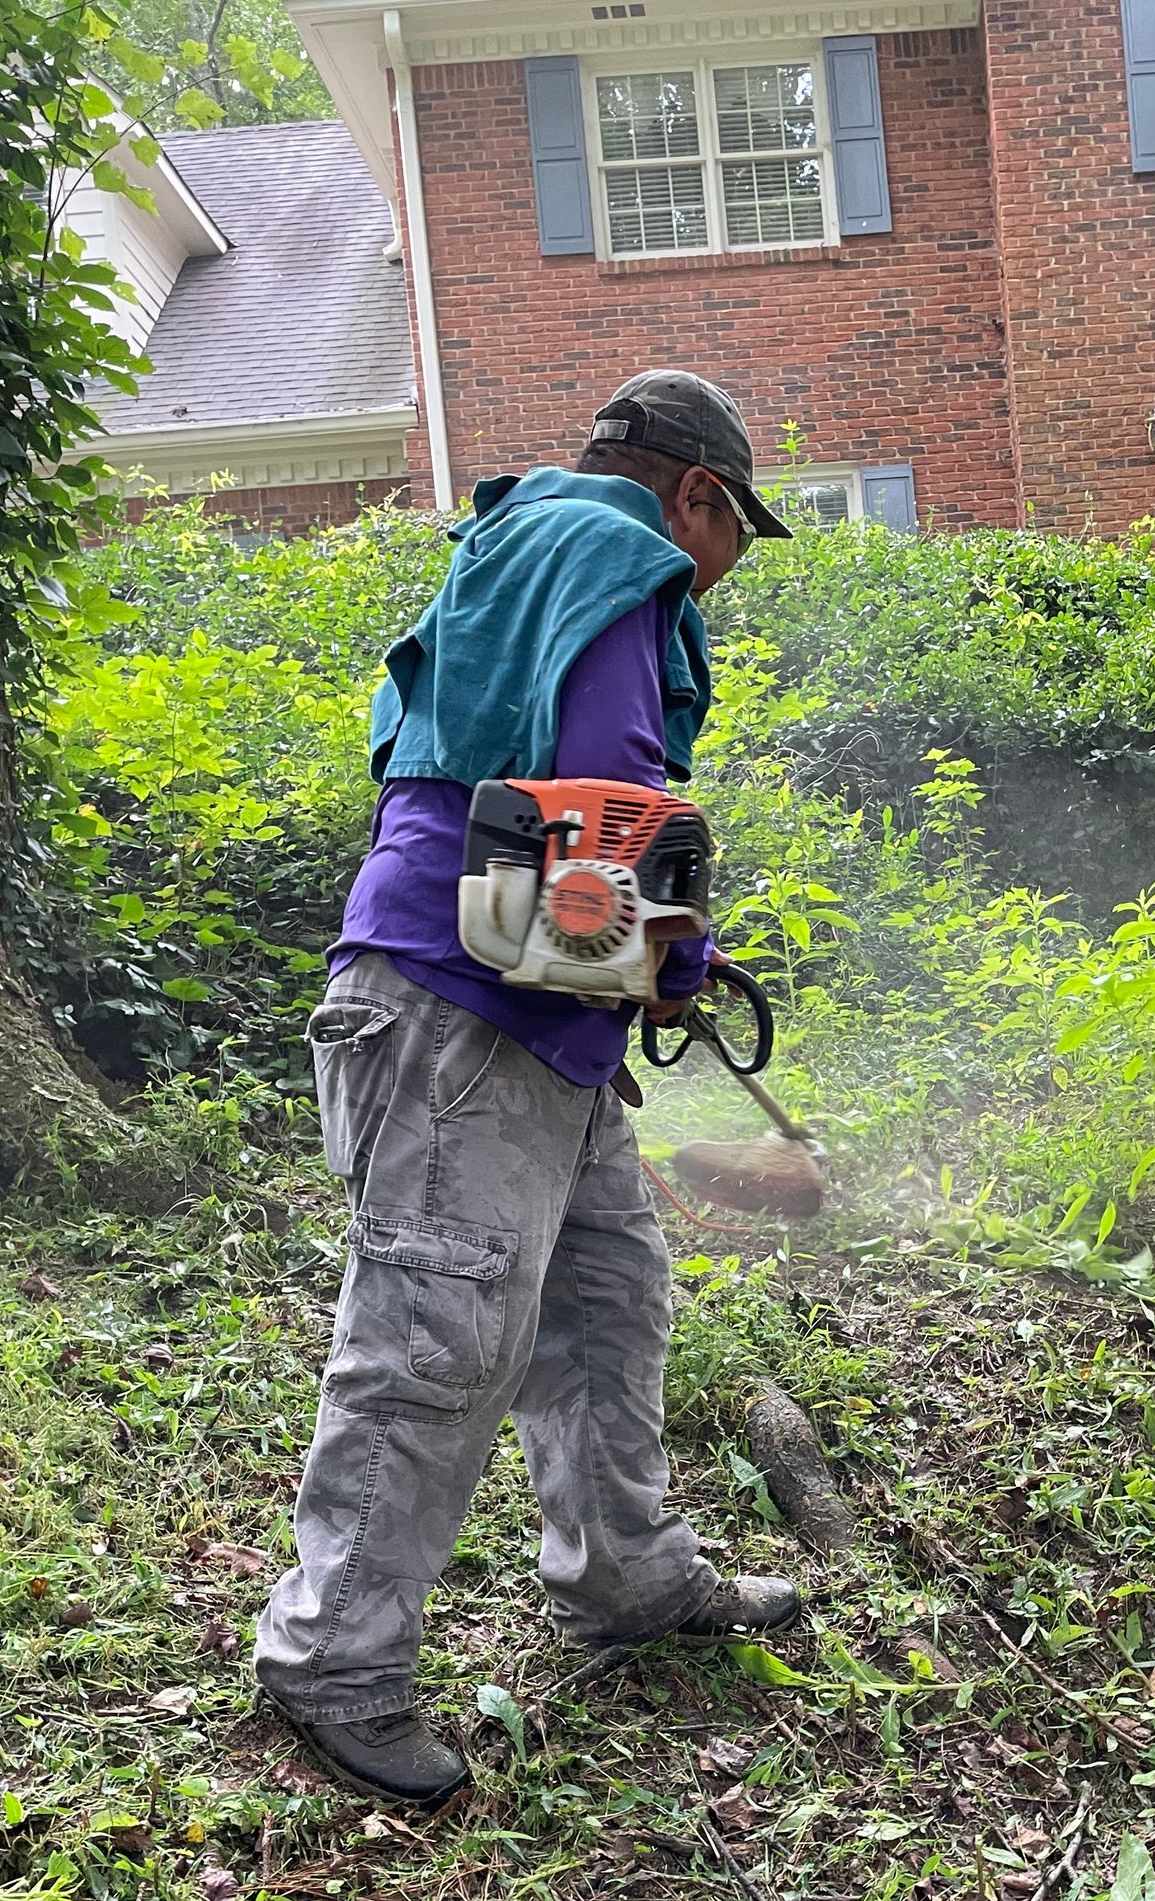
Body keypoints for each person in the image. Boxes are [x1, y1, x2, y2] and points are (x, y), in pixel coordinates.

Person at [253, 372, 801, 1811]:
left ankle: (626, 1577)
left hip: (525, 1015)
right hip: (456, 1005)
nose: (725, 566)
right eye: (736, 529)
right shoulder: (616, 548)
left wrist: (664, 961)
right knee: (438, 1333)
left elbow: (520, 802)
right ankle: (336, 1660)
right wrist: (666, 946)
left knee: (608, 1292)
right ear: (696, 494)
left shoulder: (507, 549)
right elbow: (611, 796)